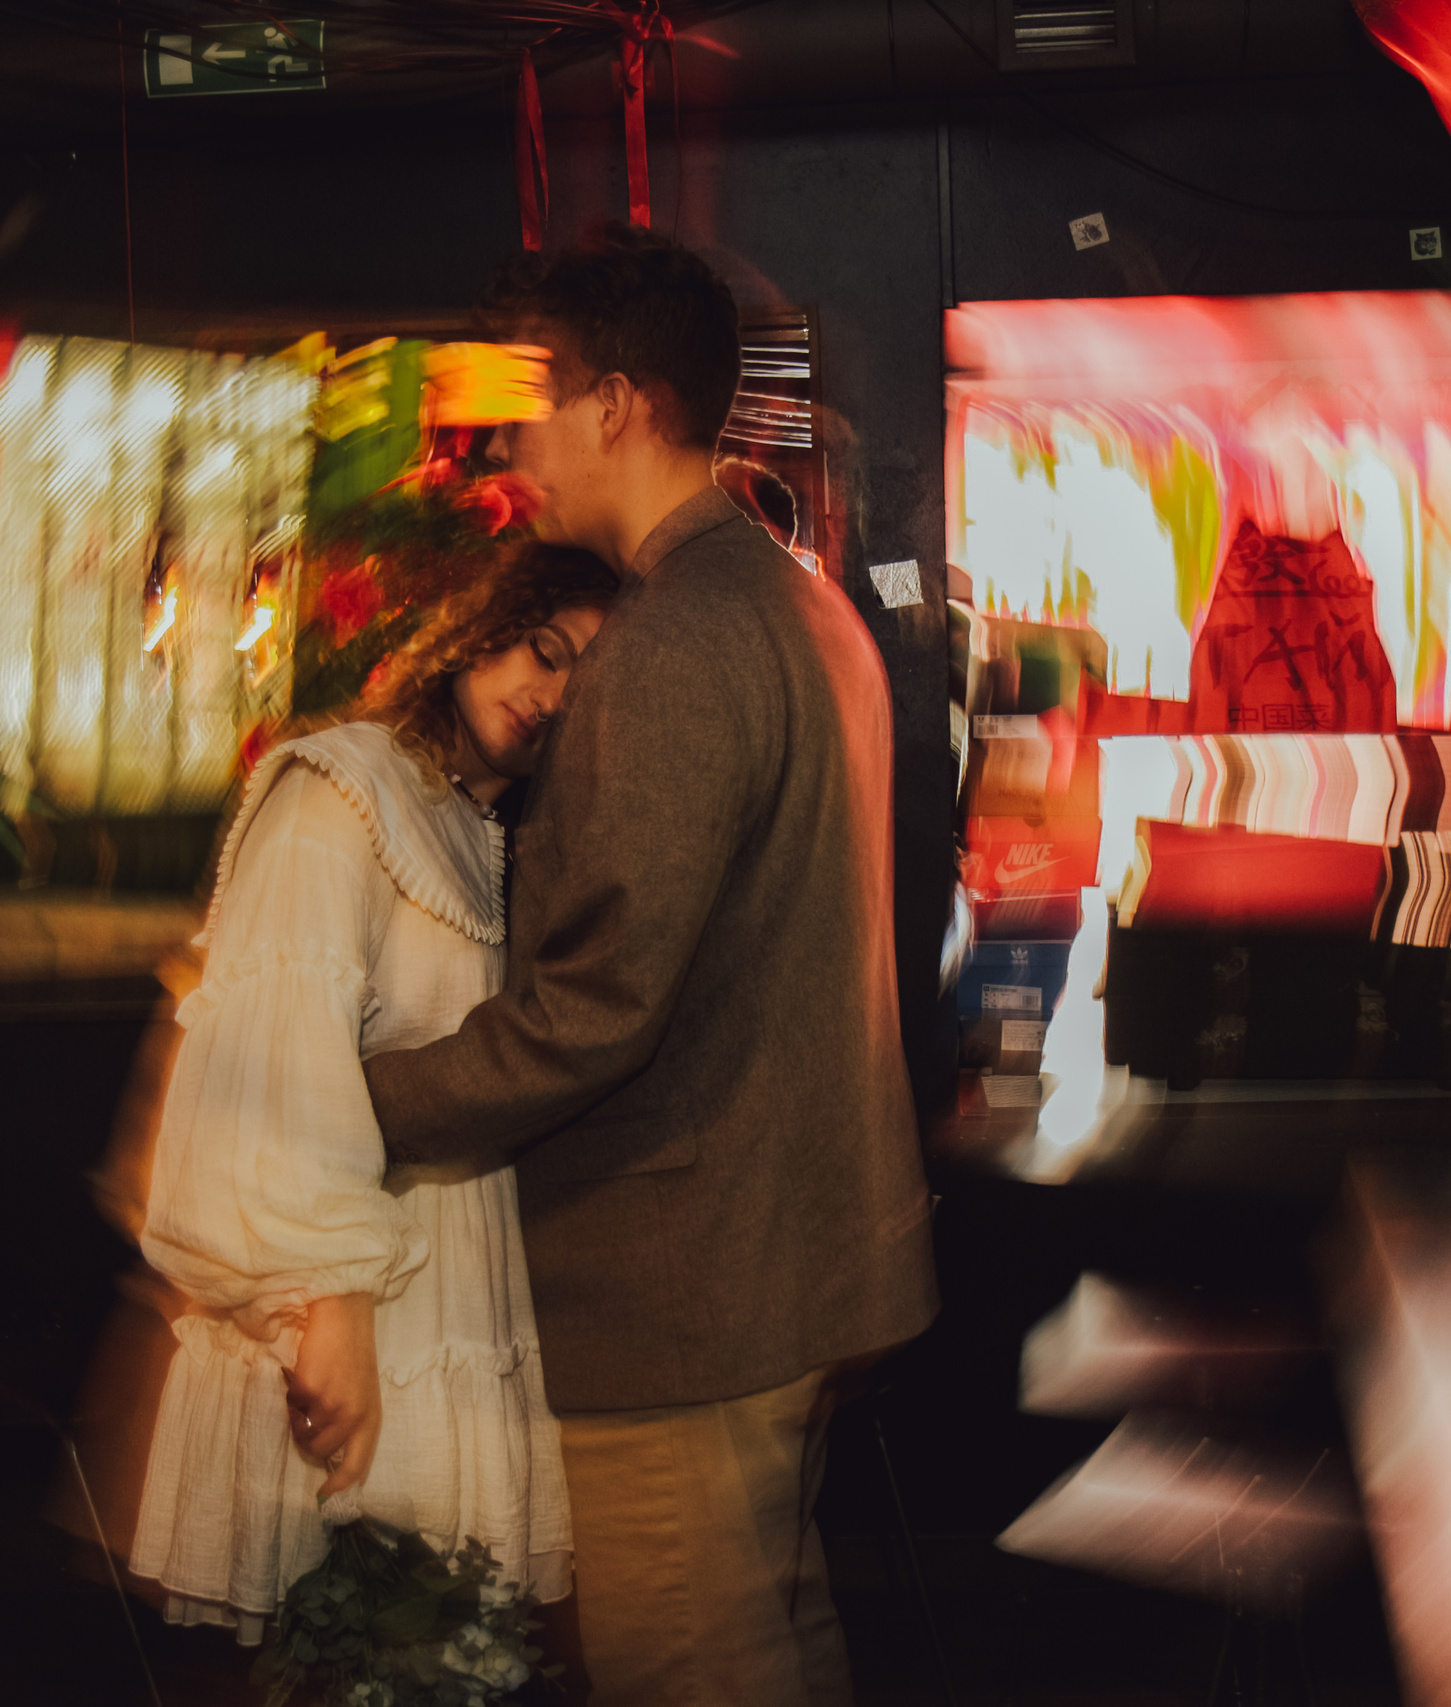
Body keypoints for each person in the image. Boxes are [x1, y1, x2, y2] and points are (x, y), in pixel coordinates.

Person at [353, 230, 941, 1704]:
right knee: (771, 1644)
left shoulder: (680, 637)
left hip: (686, 1297)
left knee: (691, 1664)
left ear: (617, 404)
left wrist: (361, 1098)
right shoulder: (792, 599)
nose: (509, 447)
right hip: (785, 1264)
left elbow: (594, 1010)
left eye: (530, 404)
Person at [128, 542, 622, 1646]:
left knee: (433, 1653)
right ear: (482, 627)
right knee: (360, 1649)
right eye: (543, 652)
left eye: (583, 685)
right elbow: (275, 1063)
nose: (548, 695)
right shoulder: (342, 790)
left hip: (456, 1291)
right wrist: (328, 1305)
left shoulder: (485, 830)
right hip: (359, 1305)